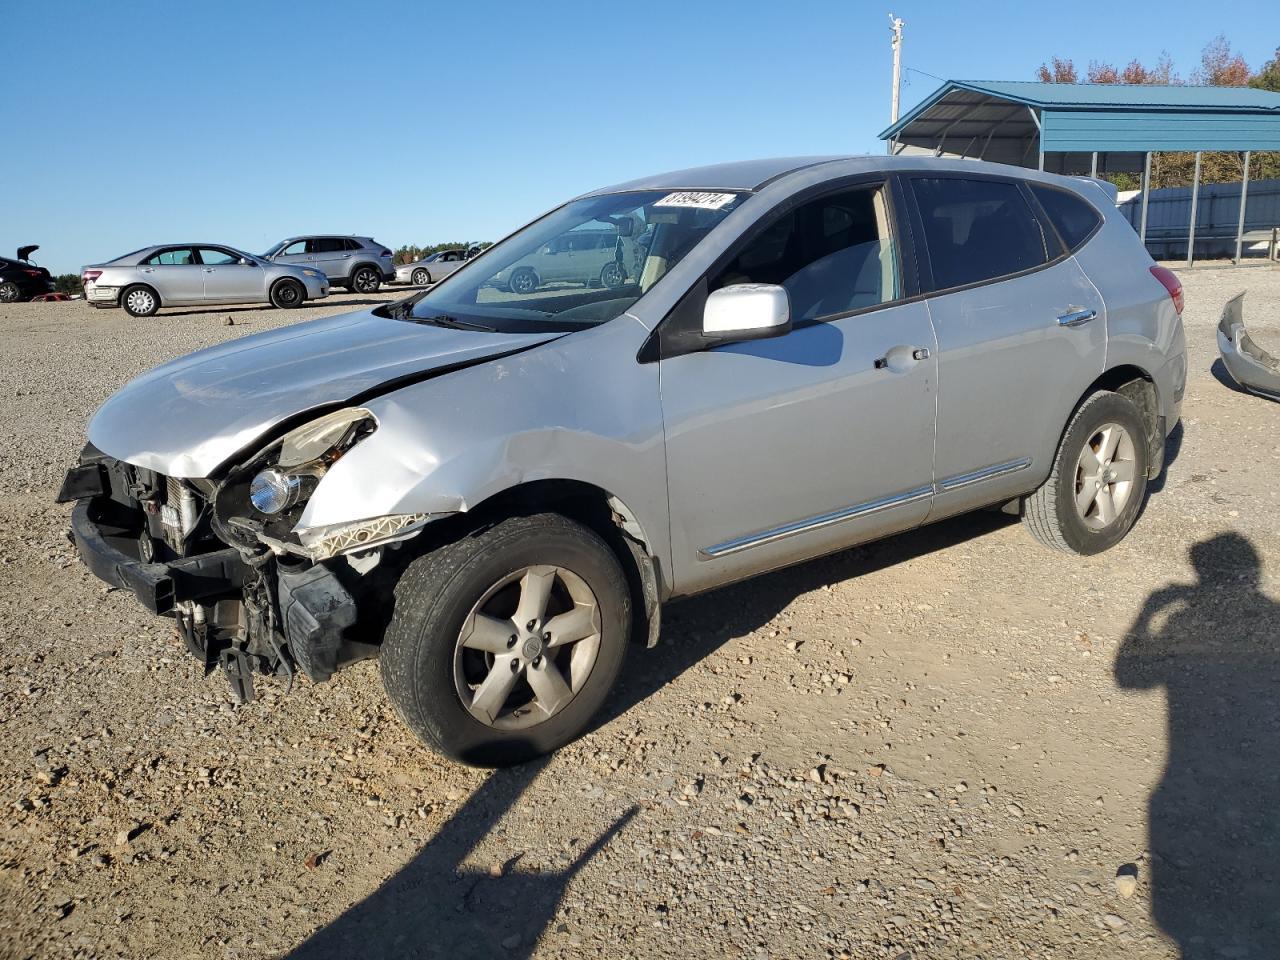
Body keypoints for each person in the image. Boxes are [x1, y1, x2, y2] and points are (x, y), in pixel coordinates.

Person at [1116, 533, 1280, 958]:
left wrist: (1147, 613)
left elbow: (1129, 678)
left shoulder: (1177, 621)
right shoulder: (1271, 616)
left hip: (1188, 777)